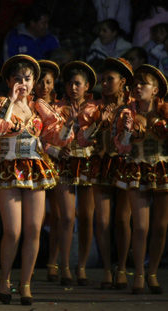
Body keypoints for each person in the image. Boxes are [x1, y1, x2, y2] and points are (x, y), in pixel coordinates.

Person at [0, 55, 74, 305]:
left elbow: (55, 137)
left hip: (35, 168)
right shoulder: (2, 102)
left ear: (34, 81)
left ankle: (25, 284)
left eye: (27, 78)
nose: (22, 83)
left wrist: (69, 126)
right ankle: (5, 279)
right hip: (8, 168)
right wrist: (12, 100)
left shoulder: (40, 107)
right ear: (8, 81)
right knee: (13, 231)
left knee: (34, 229)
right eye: (17, 79)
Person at [77, 58, 133, 289]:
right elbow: (82, 138)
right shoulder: (92, 107)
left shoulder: (133, 107)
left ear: (122, 82)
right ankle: (107, 270)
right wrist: (99, 122)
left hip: (125, 165)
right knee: (102, 221)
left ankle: (122, 268)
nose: (106, 83)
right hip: (100, 164)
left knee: (122, 220)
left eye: (111, 79)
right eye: (103, 79)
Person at [114, 64, 168, 295]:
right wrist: (126, 130)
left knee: (160, 226)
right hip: (136, 168)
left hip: (162, 168)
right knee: (141, 227)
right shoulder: (127, 112)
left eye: (143, 84)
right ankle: (138, 274)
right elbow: (122, 148)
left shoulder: (165, 110)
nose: (137, 87)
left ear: (155, 90)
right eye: (135, 84)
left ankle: (153, 273)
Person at [53, 61, 97, 287]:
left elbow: (94, 138)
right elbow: (55, 139)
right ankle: (65, 267)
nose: (73, 88)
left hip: (88, 163)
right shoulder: (58, 107)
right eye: (69, 83)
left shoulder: (93, 108)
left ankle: (81, 267)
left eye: (77, 83)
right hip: (64, 162)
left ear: (87, 86)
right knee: (67, 216)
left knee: (88, 217)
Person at [32, 60, 61, 282]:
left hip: (58, 166)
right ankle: (30, 262)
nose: (43, 85)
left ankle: (53, 262)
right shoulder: (29, 105)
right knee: (35, 219)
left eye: (48, 81)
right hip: (32, 166)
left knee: (60, 216)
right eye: (40, 80)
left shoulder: (59, 107)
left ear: (53, 84)